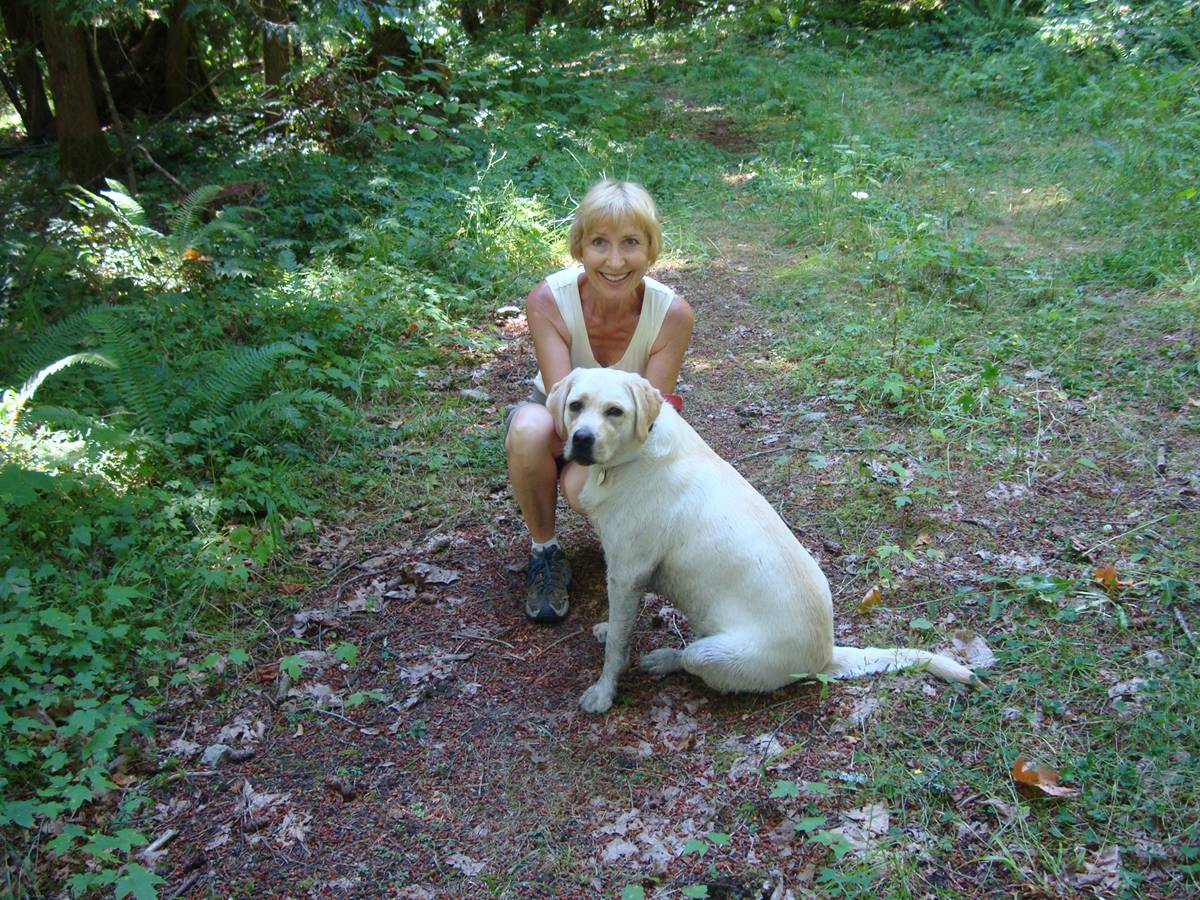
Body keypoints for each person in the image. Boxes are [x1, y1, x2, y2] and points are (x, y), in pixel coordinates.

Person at [504, 179, 694, 623]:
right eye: (599, 243)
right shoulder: (549, 299)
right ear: (579, 248)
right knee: (529, 430)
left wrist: (595, 471)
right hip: (564, 417)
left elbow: (652, 417)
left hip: (624, 426)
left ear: (651, 250)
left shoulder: (672, 315)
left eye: (630, 243)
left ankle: (644, 551)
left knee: (580, 487)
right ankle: (545, 553)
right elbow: (559, 406)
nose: (614, 260)